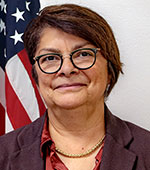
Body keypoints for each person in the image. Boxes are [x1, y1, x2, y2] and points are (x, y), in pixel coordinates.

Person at [0, 3, 150, 170]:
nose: (67, 69)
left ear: (109, 69)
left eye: (83, 54)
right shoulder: (3, 154)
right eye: (50, 58)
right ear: (36, 76)